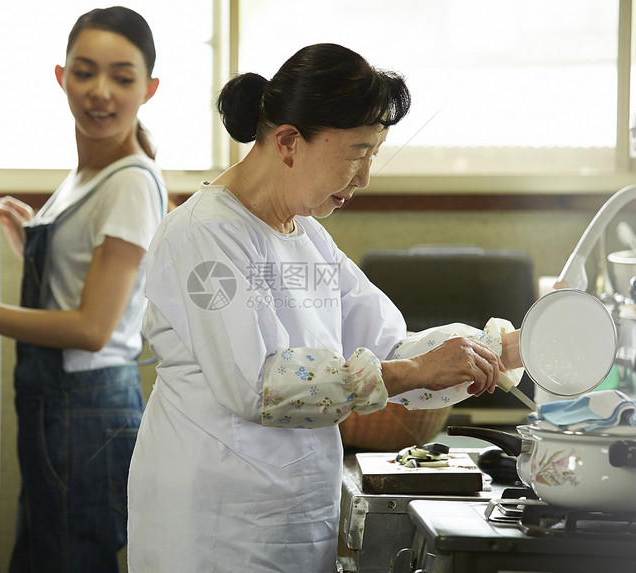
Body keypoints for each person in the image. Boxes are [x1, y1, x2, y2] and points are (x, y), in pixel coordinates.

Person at [126, 43, 524, 572]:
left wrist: (510, 347)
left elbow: (386, 345)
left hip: (293, 517)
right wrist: (409, 371)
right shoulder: (204, 235)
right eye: (357, 153)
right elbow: (259, 385)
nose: (364, 177)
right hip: (215, 527)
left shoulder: (306, 235)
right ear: (289, 142)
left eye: (373, 155)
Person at [0, 7, 166, 572]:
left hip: (88, 409)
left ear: (150, 89)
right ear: (60, 76)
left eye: (122, 77)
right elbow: (78, 290)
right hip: (63, 407)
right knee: (44, 556)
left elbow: (93, 329)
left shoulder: (131, 183)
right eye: (84, 71)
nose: (100, 92)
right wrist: (32, 242)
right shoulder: (88, 176)